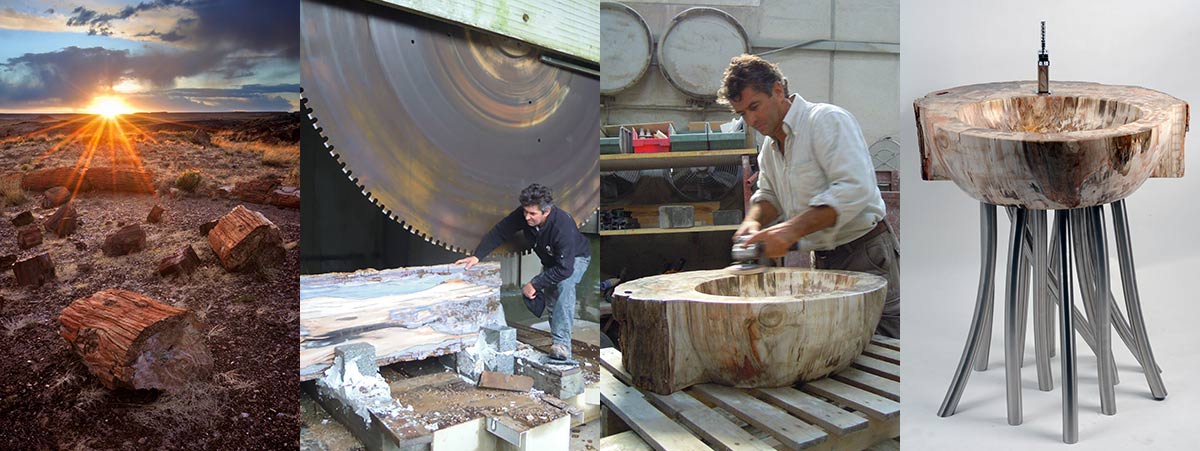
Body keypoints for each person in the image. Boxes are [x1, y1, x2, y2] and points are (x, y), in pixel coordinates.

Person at [721, 54, 899, 338]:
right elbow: (768, 195)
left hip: (865, 253)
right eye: (742, 113)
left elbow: (855, 189)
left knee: (883, 345)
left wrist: (791, 230)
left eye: (755, 106)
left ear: (778, 90)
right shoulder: (769, 147)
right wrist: (752, 222)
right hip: (825, 258)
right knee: (838, 340)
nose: (751, 119)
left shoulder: (826, 121)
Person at [456, 184, 592, 359]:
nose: (527, 217)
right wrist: (477, 256)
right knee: (552, 300)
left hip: (575, 259)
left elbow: (565, 269)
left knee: (564, 287)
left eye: (532, 214)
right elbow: (500, 231)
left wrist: (535, 283)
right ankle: (558, 340)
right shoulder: (525, 215)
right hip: (553, 262)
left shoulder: (562, 226)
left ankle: (562, 345)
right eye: (525, 212)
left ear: (547, 211)